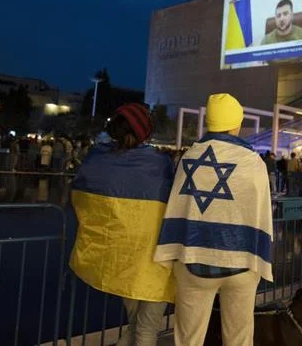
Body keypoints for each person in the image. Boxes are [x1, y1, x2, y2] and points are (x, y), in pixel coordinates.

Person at [154, 93, 273, 346]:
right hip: (241, 262)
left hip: (193, 260)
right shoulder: (253, 162)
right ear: (236, 123)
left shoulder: (188, 159)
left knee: (189, 339)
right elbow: (261, 212)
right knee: (239, 339)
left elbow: (179, 205)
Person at [69, 103, 175, 346]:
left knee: (136, 321)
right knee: (147, 328)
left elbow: (79, 196)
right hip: (153, 257)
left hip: (121, 258)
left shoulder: (97, 159)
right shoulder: (159, 164)